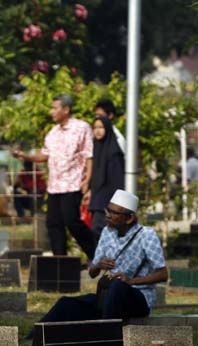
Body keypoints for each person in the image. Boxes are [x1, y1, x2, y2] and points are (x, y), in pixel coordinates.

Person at [36, 190, 167, 325]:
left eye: (113, 213)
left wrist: (131, 281)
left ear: (129, 218)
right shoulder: (107, 232)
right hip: (108, 296)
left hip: (138, 298)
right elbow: (92, 273)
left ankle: (106, 333)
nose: (107, 216)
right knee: (67, 303)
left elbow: (163, 274)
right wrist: (99, 265)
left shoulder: (147, 235)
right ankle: (34, 336)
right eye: (107, 210)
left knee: (118, 286)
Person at [13, 94, 96, 261]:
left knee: (72, 221)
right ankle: (60, 261)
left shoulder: (82, 128)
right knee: (53, 223)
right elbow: (44, 155)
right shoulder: (52, 133)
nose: (51, 112)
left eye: (54, 108)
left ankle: (96, 253)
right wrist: (25, 156)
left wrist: (88, 180)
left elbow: (89, 155)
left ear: (66, 110)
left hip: (73, 183)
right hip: (54, 185)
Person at [88, 116, 125, 244]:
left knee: (101, 229)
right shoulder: (95, 148)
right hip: (97, 196)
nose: (97, 131)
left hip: (108, 198)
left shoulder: (114, 152)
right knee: (98, 231)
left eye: (101, 127)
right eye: (95, 128)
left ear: (108, 129)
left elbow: (118, 179)